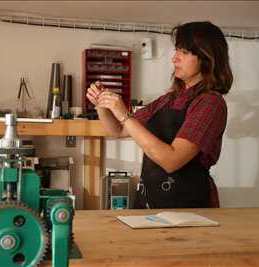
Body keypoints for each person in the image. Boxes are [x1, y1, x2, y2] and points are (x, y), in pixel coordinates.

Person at [86, 21, 233, 209]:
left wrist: (124, 115)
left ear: (207, 58)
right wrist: (102, 104)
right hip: (149, 202)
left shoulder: (210, 103)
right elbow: (118, 130)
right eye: (176, 50)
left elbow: (171, 161)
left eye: (184, 52)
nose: (175, 58)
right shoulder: (168, 99)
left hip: (188, 208)